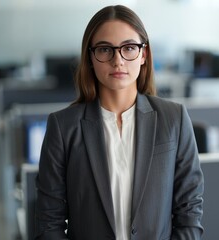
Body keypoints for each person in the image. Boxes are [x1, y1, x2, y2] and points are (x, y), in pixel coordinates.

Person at [35, 5, 204, 240]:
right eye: (105, 49)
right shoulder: (63, 127)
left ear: (144, 55)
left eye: (129, 48)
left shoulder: (174, 119)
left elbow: (189, 214)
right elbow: (48, 222)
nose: (118, 60)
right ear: (90, 58)